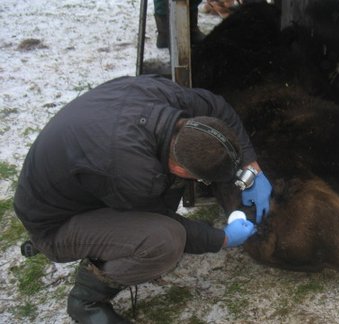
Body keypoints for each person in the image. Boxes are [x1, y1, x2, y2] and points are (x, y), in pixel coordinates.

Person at [13, 74, 272, 323]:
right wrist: (222, 238)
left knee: (165, 204)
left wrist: (251, 168)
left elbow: (219, 107)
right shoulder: (134, 173)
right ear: (182, 168)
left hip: (67, 185)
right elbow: (164, 222)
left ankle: (100, 241)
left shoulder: (168, 97)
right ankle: (87, 300)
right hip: (53, 221)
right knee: (164, 240)